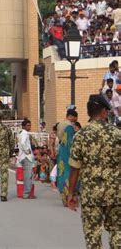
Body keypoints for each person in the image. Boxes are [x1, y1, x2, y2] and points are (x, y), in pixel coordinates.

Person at [66, 95, 120, 248]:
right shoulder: (117, 134)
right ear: (104, 112)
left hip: (91, 195)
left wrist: (71, 193)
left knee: (93, 236)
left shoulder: (81, 136)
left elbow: (75, 168)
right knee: (118, 232)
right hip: (116, 193)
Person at [57, 109, 79, 206]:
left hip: (61, 149)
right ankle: (69, 197)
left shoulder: (60, 124)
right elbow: (70, 141)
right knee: (68, 172)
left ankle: (64, 197)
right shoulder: (69, 127)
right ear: (71, 116)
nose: (75, 120)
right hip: (67, 151)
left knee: (61, 172)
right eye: (75, 118)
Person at [17, 119, 36, 199]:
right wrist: (27, 151)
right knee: (28, 176)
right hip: (26, 157)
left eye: (30, 125)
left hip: (22, 156)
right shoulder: (24, 133)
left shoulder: (20, 133)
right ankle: (26, 193)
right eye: (28, 125)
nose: (29, 127)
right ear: (24, 126)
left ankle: (26, 192)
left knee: (27, 175)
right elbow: (22, 143)